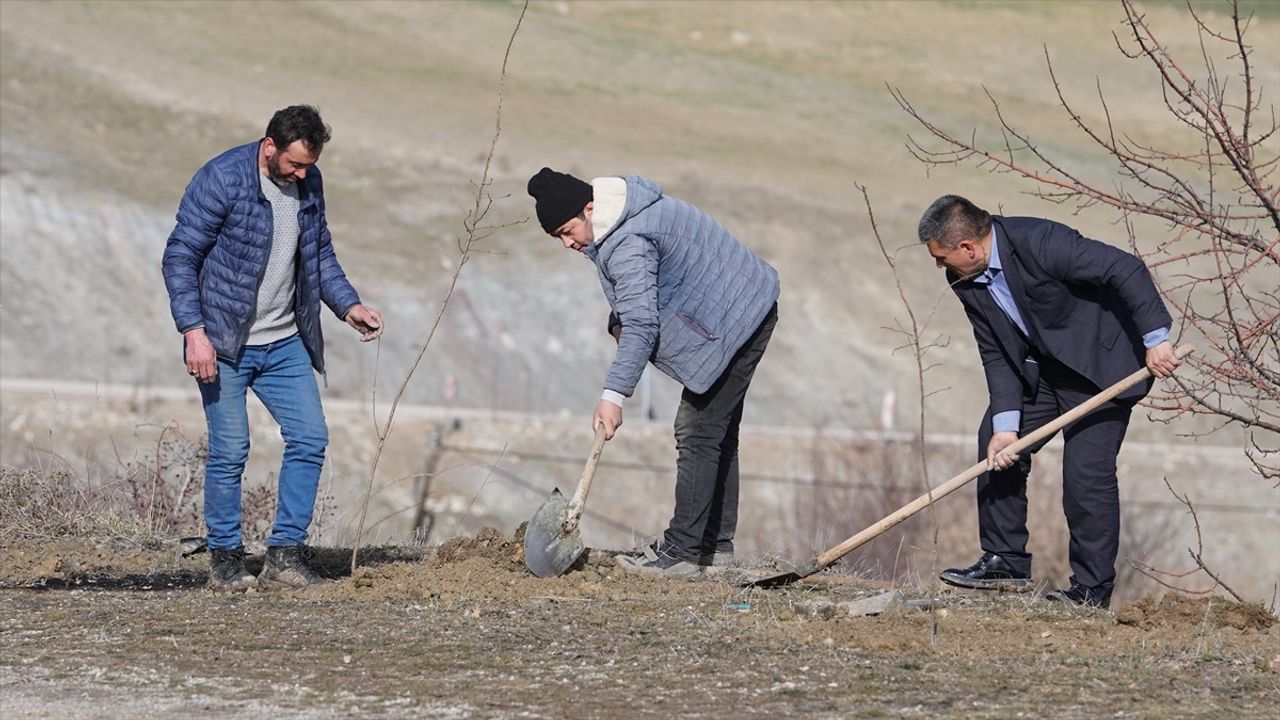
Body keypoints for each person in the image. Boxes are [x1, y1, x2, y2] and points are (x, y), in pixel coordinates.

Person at [920, 195, 1180, 608]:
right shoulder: (963, 279)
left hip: (1101, 370)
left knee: (1085, 477)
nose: (939, 266)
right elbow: (995, 349)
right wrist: (1007, 426)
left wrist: (1156, 338)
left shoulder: (1038, 241)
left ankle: (1092, 590)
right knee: (996, 442)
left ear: (968, 248)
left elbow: (1123, 267)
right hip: (1042, 372)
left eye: (942, 256)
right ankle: (1005, 560)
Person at [162, 105, 383, 591]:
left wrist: (349, 307)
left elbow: (318, 253)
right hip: (223, 341)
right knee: (231, 449)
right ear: (269, 147)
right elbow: (180, 255)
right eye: (295, 164)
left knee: (310, 438)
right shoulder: (222, 179)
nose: (303, 174)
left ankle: (284, 555)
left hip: (284, 341)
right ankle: (225, 559)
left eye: (309, 166)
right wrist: (192, 331)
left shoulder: (309, 183)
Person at [527, 168, 780, 578]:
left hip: (738, 318)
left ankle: (683, 551)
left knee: (698, 431)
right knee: (716, 433)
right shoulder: (619, 219)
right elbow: (640, 292)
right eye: (557, 236)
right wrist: (618, 322)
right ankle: (713, 548)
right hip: (745, 305)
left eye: (567, 231)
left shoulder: (626, 239)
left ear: (589, 208)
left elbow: (643, 323)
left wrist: (613, 395)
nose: (566, 243)